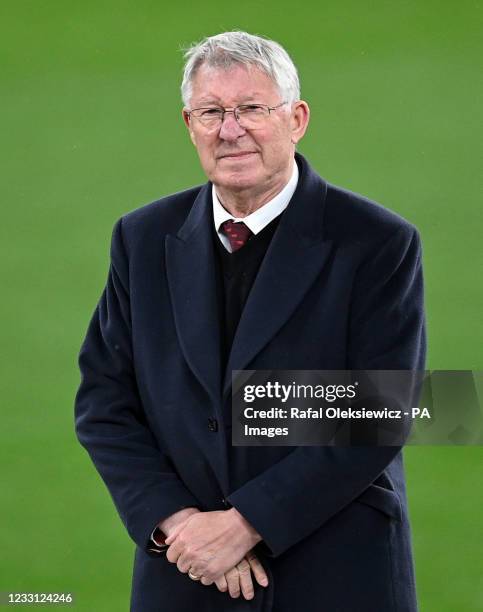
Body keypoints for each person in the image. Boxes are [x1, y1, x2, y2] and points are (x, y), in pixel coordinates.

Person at [75, 31, 426, 612]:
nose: (229, 130)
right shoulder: (140, 239)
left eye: (251, 109)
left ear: (297, 118)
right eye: (211, 112)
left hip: (337, 574)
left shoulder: (377, 242)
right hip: (186, 573)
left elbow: (381, 412)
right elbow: (104, 402)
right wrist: (179, 522)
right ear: (189, 124)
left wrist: (245, 524)